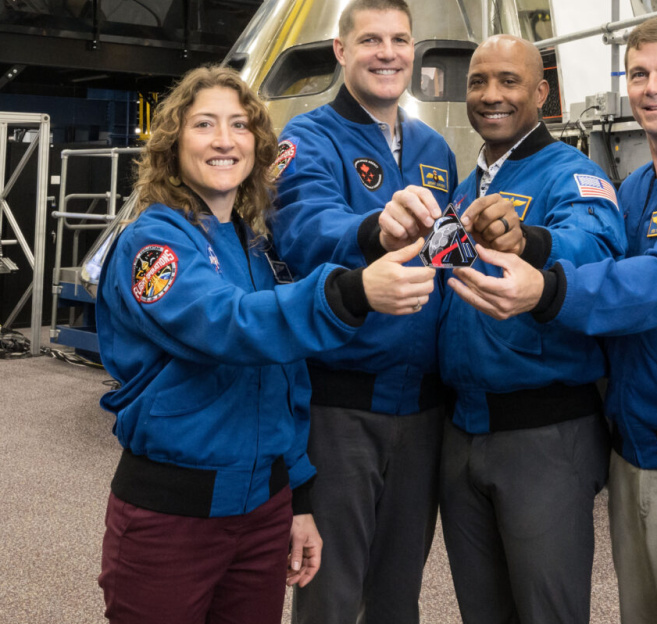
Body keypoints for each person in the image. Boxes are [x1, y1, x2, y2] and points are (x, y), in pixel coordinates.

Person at [447, 17, 657, 624]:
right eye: (639, 74)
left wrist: (546, 291)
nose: (652, 88)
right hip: (637, 457)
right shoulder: (634, 193)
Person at [94, 66, 435, 624]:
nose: (224, 140)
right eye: (204, 124)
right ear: (174, 142)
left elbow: (288, 380)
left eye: (239, 126)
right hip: (171, 513)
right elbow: (227, 324)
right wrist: (350, 291)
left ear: (257, 144)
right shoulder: (153, 242)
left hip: (262, 514)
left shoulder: (258, 249)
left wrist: (298, 501)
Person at [382, 34, 625, 623]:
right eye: (478, 82)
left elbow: (595, 246)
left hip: (542, 435)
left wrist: (532, 241)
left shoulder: (572, 175)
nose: (491, 95)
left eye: (509, 82)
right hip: (463, 434)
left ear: (542, 93)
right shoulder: (467, 186)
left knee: (547, 612)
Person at [270, 1, 457, 622]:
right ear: (341, 52)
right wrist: (374, 228)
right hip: (343, 404)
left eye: (400, 39)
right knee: (330, 593)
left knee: (399, 595)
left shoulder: (435, 149)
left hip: (425, 409)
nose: (388, 53)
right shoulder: (307, 138)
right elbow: (304, 228)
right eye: (371, 39)